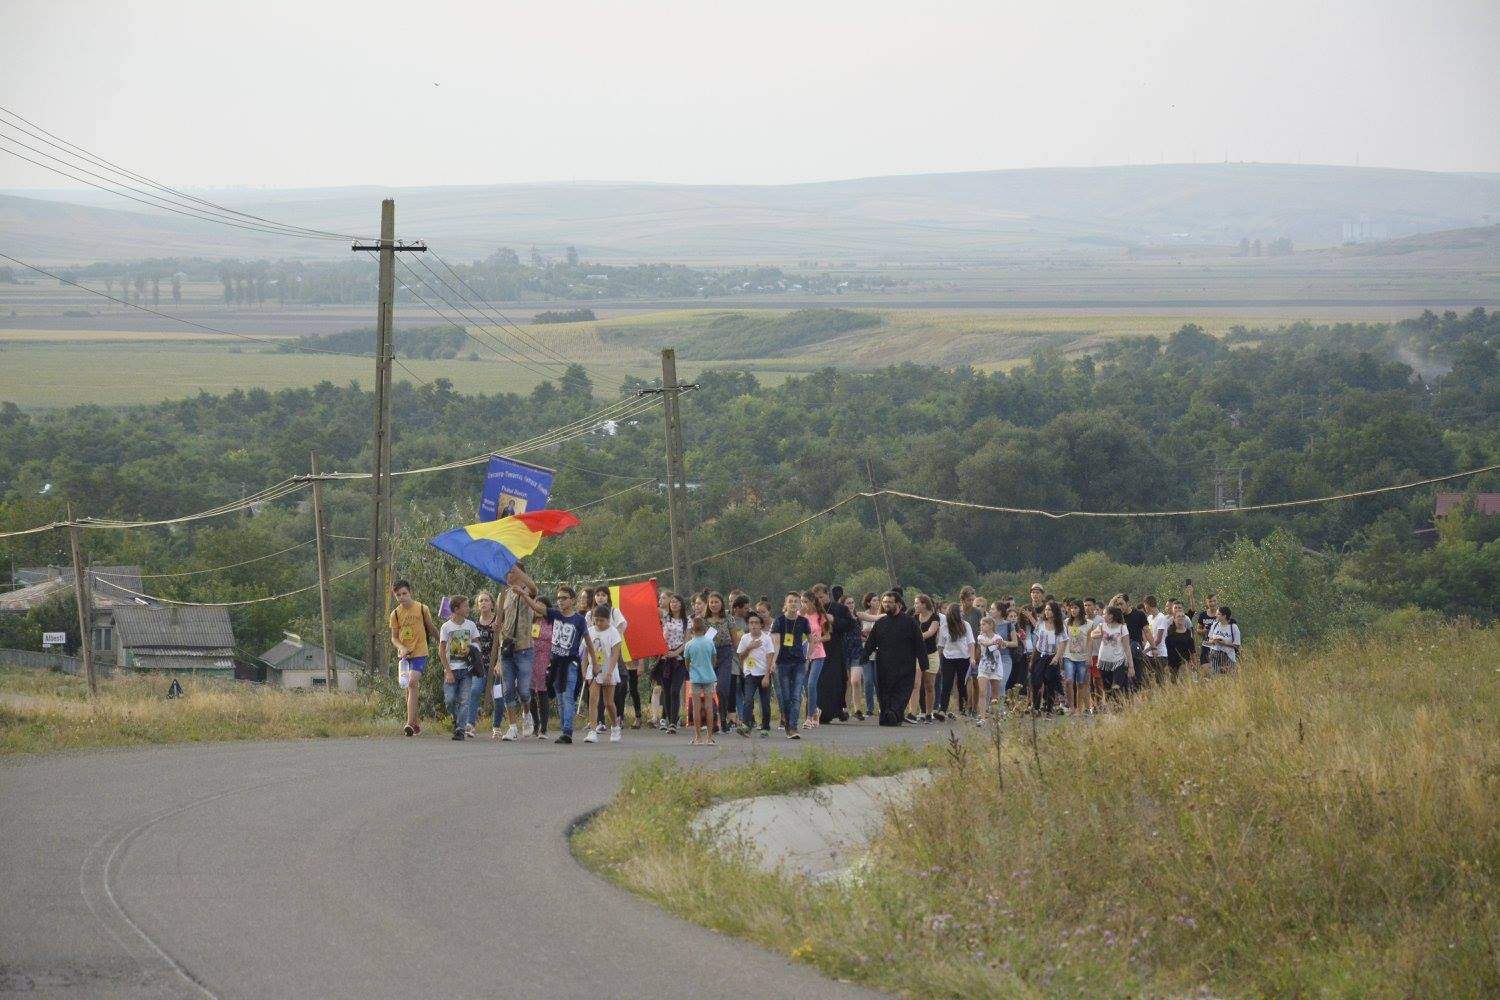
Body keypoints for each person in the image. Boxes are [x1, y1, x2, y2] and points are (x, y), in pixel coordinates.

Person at [517, 585, 589, 745]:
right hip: (555, 663)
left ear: (572, 600)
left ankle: (567, 732)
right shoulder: (555, 615)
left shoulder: (579, 619)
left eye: (564, 598)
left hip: (570, 663)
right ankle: (565, 729)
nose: (560, 601)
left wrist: (594, 663)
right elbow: (536, 607)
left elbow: (588, 640)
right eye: (558, 598)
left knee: (568, 696)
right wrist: (523, 594)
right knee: (560, 699)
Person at [863, 591, 924, 726]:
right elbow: (871, 642)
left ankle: (894, 713)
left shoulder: (910, 622)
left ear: (898, 604)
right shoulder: (881, 623)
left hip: (905, 664)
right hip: (884, 665)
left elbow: (919, 643)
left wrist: (923, 662)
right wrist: (864, 656)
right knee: (884, 691)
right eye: (884, 602)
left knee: (902, 691)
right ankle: (887, 714)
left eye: (890, 602)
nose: (886, 605)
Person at [390, 579, 439, 737]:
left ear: (410, 592)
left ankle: (409, 723)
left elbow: (431, 628)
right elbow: (394, 638)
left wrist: (442, 642)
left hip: (420, 652)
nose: (402, 597)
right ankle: (415, 724)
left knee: (412, 682)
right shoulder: (395, 614)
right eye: (398, 595)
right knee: (408, 688)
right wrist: (401, 647)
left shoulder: (422, 608)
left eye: (404, 593)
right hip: (404, 656)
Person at [493, 581, 535, 741]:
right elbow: (500, 621)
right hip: (506, 648)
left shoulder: (529, 591)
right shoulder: (503, 595)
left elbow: (534, 589)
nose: (510, 576)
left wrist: (522, 591)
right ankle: (512, 727)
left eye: (513, 572)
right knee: (508, 689)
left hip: (524, 647)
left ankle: (527, 714)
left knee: (524, 690)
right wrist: (497, 626)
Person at [438, 595, 480, 741]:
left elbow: (477, 643)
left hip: (466, 669)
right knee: (449, 700)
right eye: (466, 606)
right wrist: (448, 671)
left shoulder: (471, 625)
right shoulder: (446, 627)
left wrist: (471, 648)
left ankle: (460, 729)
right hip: (451, 670)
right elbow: (441, 651)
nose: (469, 608)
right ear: (456, 609)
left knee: (464, 700)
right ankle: (456, 721)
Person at [771, 593, 812, 738]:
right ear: (786, 604)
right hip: (782, 663)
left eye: (796, 601)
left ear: (800, 604)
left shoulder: (803, 621)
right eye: (790, 601)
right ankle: (787, 722)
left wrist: (808, 659)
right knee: (785, 696)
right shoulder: (779, 621)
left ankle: (793, 727)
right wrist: (773, 661)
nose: (793, 604)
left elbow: (811, 640)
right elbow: (776, 643)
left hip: (799, 662)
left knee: (796, 695)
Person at [817, 584, 856, 723]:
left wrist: (834, 620)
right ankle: (821, 711)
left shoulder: (839, 608)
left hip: (836, 648)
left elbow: (850, 625)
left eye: (821, 597)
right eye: (817, 598)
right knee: (820, 681)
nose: (819, 600)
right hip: (819, 648)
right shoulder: (814, 610)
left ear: (827, 594)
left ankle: (838, 709)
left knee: (837, 680)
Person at [585, 605, 623, 743]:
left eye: (602, 620)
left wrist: (609, 673)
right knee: (593, 700)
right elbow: (586, 652)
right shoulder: (589, 631)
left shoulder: (614, 633)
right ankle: (592, 731)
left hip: (609, 669)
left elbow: (615, 655)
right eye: (596, 620)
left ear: (608, 620)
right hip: (594, 669)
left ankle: (615, 726)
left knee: (608, 703)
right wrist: (585, 671)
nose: (599, 623)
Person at [934, 601, 976, 721]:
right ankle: (943, 710)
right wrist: (938, 661)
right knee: (946, 684)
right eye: (960, 612)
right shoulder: (944, 627)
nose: (963, 613)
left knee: (962, 684)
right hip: (948, 658)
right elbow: (941, 646)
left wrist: (972, 658)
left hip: (963, 658)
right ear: (955, 614)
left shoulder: (966, 625)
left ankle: (962, 710)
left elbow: (971, 643)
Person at [735, 611, 775, 737]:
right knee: (748, 700)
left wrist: (767, 676)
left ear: (761, 625)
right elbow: (740, 656)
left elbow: (770, 656)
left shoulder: (766, 638)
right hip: (750, 674)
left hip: (763, 674)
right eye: (751, 623)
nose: (753, 625)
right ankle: (746, 724)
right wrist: (749, 647)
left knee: (765, 702)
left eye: (756, 623)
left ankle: (765, 727)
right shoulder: (745, 638)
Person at [705, 592, 738, 733]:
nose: (714, 605)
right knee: (709, 689)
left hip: (725, 654)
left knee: (722, 688)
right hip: (708, 655)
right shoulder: (703, 620)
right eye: (711, 602)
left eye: (716, 602)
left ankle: (723, 718)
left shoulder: (728, 618)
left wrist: (739, 658)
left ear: (721, 603)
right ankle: (713, 720)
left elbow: (735, 640)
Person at [657, 593, 689, 734]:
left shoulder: (687, 621)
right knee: (666, 691)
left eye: (677, 602)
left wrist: (676, 652)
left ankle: (673, 722)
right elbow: (653, 609)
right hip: (665, 658)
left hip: (679, 659)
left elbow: (687, 641)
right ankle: (670, 719)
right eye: (672, 602)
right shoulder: (665, 618)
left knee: (675, 690)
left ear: (681, 604)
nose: (674, 604)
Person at [908, 595, 941, 723]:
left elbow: (930, 632)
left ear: (924, 604)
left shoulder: (935, 618)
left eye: (917, 603)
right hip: (917, 654)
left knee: (929, 685)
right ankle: (912, 713)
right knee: (915, 684)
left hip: (931, 654)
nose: (915, 606)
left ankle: (928, 713)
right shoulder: (914, 618)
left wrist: (916, 637)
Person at [684, 617, 717, 746]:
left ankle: (698, 737)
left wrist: (692, 670)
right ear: (704, 629)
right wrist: (709, 668)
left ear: (692, 630)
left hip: (695, 678)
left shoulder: (689, 645)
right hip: (709, 677)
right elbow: (714, 659)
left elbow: (687, 663)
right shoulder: (709, 642)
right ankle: (710, 737)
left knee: (696, 708)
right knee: (709, 707)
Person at [1092, 605, 1134, 703]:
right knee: (1107, 688)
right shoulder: (1102, 626)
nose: (1103, 616)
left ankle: (1119, 706)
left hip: (1118, 661)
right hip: (1104, 662)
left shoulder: (1122, 628)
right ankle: (1111, 708)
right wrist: (1100, 633)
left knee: (1116, 686)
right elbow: (1092, 634)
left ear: (1111, 616)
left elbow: (1127, 647)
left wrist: (1131, 666)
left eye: (1104, 614)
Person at [800, 591, 829, 728]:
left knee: (812, 684)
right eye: (802, 602)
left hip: (818, 653)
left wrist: (819, 639)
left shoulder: (820, 616)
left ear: (812, 601)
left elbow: (828, 635)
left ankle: (809, 717)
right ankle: (815, 710)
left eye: (806, 602)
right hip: (803, 653)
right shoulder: (800, 616)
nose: (803, 604)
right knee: (806, 686)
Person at [851, 592, 882, 720]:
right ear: (868, 602)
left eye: (878, 600)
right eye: (874, 600)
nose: (877, 602)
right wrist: (866, 636)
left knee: (878, 681)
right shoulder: (863, 616)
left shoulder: (881, 615)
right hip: (866, 651)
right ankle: (870, 709)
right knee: (868, 680)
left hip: (879, 652)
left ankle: (882, 707)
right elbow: (859, 633)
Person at [1060, 601, 1094, 717]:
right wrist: (1060, 655)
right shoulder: (1066, 623)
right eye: (1071, 608)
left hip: (1082, 657)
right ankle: (1072, 708)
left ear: (1080, 609)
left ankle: (1079, 709)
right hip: (1068, 656)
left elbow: (1089, 642)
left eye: (1075, 608)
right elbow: (1063, 639)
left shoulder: (1089, 624)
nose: (1073, 610)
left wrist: (1089, 656)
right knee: (1068, 681)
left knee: (1081, 683)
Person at [1031, 600, 1064, 715]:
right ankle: (1035, 707)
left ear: (1055, 611)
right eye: (1046, 609)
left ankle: (1049, 708)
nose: (1047, 612)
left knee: (1050, 682)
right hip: (1040, 654)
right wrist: (1033, 657)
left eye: (1049, 610)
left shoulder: (1059, 626)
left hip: (1052, 656)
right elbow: (1036, 639)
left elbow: (1063, 642)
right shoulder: (1040, 623)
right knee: (1036, 682)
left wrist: (1057, 657)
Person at [528, 597, 553, 739]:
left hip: (546, 660)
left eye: (541, 606)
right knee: (529, 693)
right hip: (530, 659)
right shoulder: (529, 622)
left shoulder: (552, 622)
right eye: (535, 605)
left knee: (542, 693)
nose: (537, 608)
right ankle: (535, 724)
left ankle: (544, 728)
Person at [974, 615, 1007, 719]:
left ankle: (995, 716)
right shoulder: (980, 637)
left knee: (995, 693)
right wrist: (993, 642)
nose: (981, 626)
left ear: (991, 625)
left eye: (984, 624)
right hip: (983, 667)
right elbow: (984, 643)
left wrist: (1001, 643)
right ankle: (983, 717)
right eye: (981, 624)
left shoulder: (998, 637)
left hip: (995, 667)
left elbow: (1001, 646)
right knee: (982, 692)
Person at [1141, 595, 1170, 687]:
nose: (1145, 607)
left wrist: (1146, 650)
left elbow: (1158, 639)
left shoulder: (1161, 618)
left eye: (1145, 605)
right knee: (1146, 677)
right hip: (1148, 654)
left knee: (1160, 680)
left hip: (1160, 653)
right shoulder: (1149, 618)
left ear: (1148, 604)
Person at [1164, 598, 1196, 681]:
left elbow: (1192, 645)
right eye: (1175, 608)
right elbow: (1166, 645)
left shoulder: (1187, 622)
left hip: (1184, 661)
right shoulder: (1167, 622)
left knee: (1184, 681)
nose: (1177, 609)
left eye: (1179, 608)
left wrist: (1193, 661)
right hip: (1171, 661)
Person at [1207, 605, 1241, 674]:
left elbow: (1237, 645)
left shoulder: (1233, 627)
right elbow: (1209, 641)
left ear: (1224, 616)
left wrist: (1225, 643)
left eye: (1218, 614)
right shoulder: (1214, 625)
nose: (1216, 615)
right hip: (1214, 655)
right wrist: (1213, 641)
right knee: (1215, 677)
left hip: (1228, 656)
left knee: (1229, 677)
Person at [1196, 593, 1220, 667]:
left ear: (1217, 601)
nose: (1212, 603)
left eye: (1214, 601)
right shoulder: (1203, 615)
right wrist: (1203, 631)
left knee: (1218, 668)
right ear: (1207, 603)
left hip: (1219, 645)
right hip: (1206, 644)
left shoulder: (1221, 614)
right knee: (1205, 667)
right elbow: (1198, 629)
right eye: (1210, 601)